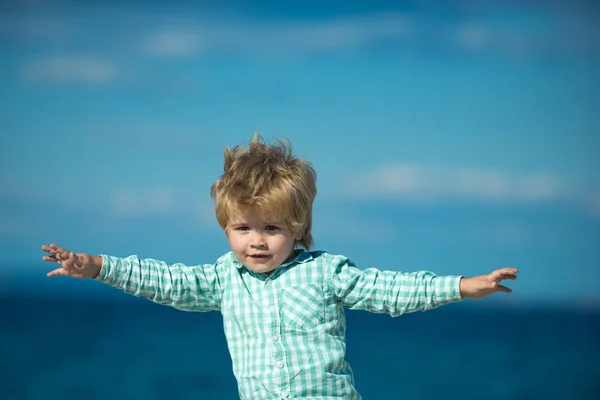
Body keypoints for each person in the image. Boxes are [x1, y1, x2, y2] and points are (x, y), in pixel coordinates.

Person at [41, 133, 518, 400]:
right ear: (226, 227)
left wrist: (459, 286)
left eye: (271, 229)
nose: (257, 241)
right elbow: (165, 280)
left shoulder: (325, 272)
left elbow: (388, 290)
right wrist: (97, 265)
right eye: (243, 229)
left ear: (298, 228)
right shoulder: (222, 280)